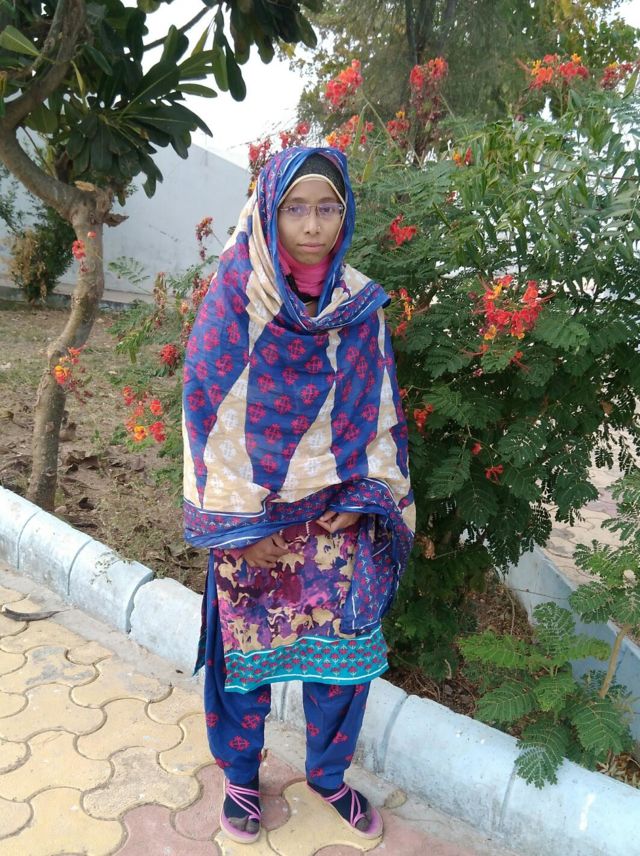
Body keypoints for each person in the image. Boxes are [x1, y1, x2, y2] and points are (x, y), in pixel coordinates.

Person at [183, 146, 415, 845]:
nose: (312, 226)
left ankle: (328, 775)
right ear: (268, 213)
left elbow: (379, 410)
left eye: (327, 208)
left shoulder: (361, 308)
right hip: (252, 521)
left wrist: (366, 493)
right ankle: (240, 778)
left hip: (338, 517)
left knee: (344, 661)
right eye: (295, 209)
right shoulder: (235, 300)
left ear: (345, 216)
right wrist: (241, 527)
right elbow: (208, 411)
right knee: (243, 662)